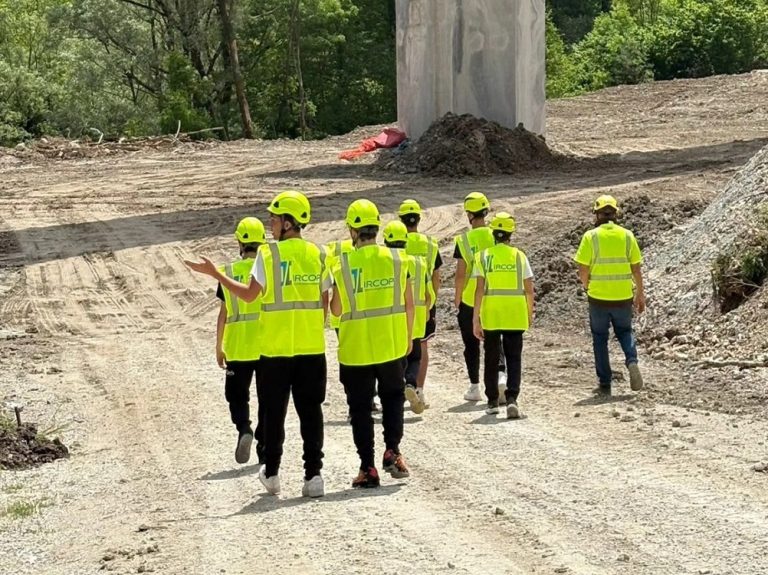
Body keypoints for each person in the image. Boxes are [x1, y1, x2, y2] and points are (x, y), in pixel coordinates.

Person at [185, 190, 330, 498]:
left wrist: (216, 274)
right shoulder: (318, 253)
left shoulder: (268, 254)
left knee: (273, 413)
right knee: (311, 413)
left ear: (288, 223)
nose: (271, 225)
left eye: (274, 219)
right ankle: (313, 476)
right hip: (312, 348)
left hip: (275, 350)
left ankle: (273, 473)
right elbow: (325, 300)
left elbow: (250, 295)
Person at [330, 199, 414, 488]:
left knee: (361, 409)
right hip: (391, 343)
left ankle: (368, 468)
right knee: (393, 398)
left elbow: (336, 310)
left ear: (353, 231)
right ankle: (393, 451)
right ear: (377, 228)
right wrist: (408, 338)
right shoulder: (398, 260)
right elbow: (409, 303)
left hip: (355, 349)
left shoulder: (342, 264)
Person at [573, 195, 645, 396]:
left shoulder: (590, 237)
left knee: (599, 338)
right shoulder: (627, 235)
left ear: (596, 215)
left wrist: (587, 286)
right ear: (616, 214)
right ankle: (632, 360)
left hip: (598, 297)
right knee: (625, 332)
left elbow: (583, 268)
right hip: (623, 295)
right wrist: (640, 294)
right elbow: (636, 269)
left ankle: (605, 383)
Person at [471, 213, 534, 418]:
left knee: (491, 357)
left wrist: (475, 318)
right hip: (515, 313)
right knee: (514, 358)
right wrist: (529, 312)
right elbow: (529, 289)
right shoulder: (519, 256)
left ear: (493, 234)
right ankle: (512, 399)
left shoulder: (483, 256)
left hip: (492, 314)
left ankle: (492, 401)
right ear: (510, 234)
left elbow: (479, 290)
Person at [215, 217, 266, 465]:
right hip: (266, 345)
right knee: (268, 397)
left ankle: (244, 428)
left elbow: (223, 313)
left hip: (237, 346)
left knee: (237, 396)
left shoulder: (229, 272)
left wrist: (219, 347)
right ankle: (265, 445)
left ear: (239, 243)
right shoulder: (268, 270)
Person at [453, 192, 505, 402]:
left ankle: (475, 387)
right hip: (493, 295)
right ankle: (500, 376)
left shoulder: (464, 240)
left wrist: (458, 298)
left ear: (469, 214)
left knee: (471, 344)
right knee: (494, 340)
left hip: (469, 298)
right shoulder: (496, 235)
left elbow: (460, 274)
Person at [399, 199, 442, 408]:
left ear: (401, 220)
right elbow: (436, 277)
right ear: (419, 219)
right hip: (424, 302)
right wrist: (432, 301)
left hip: (399, 304)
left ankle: (399, 386)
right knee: (422, 345)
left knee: (400, 345)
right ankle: (419, 390)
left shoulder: (395, 242)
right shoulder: (430, 244)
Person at [383, 220, 430, 415]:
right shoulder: (419, 262)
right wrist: (427, 310)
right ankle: (411, 382)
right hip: (416, 318)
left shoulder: (385, 262)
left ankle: (395, 391)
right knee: (415, 356)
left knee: (395, 359)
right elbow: (428, 293)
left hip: (392, 319)